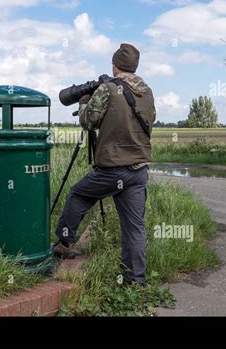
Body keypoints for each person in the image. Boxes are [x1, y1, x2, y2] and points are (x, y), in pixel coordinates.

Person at [53, 43, 156, 285]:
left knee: (78, 194)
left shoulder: (109, 89)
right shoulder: (148, 91)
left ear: (115, 65)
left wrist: (83, 103)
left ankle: (65, 243)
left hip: (112, 169)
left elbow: (88, 122)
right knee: (135, 228)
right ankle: (135, 282)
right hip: (139, 169)